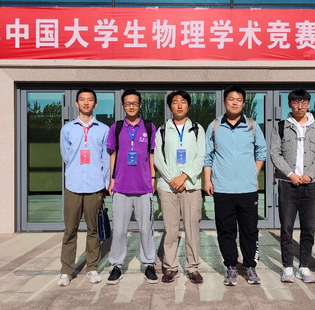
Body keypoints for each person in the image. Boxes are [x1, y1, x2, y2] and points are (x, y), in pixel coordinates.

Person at [204, 85, 267, 286]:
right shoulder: (215, 126)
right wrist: (207, 180)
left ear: (243, 103)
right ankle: (231, 266)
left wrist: (253, 173)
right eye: (231, 99)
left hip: (247, 189)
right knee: (226, 230)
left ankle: (250, 266)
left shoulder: (251, 126)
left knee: (250, 230)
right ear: (224, 102)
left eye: (238, 100)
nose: (234, 102)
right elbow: (208, 156)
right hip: (223, 188)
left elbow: (261, 152)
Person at [270, 88, 315, 284]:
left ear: (308, 104)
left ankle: (304, 266)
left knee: (308, 228)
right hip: (288, 185)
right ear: (289, 104)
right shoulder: (280, 127)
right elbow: (275, 153)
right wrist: (291, 174)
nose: (300, 106)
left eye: (304, 102)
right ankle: (287, 267)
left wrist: (310, 174)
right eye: (296, 102)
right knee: (286, 228)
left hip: (310, 186)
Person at [58, 88, 110, 286]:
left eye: (90, 100)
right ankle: (66, 270)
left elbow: (105, 159)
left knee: (93, 230)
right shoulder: (67, 129)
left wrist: (105, 184)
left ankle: (92, 268)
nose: (86, 103)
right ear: (76, 103)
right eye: (82, 99)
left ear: (95, 104)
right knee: (70, 230)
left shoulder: (103, 129)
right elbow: (66, 156)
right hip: (73, 185)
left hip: (95, 186)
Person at [106, 89, 158, 284]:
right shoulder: (117, 127)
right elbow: (112, 154)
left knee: (146, 229)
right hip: (121, 186)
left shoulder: (149, 127)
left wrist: (152, 178)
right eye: (127, 103)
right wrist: (112, 179)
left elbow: (152, 154)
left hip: (144, 187)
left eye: (134, 103)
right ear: (122, 106)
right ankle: (116, 265)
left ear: (140, 105)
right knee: (119, 230)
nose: (131, 107)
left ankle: (149, 264)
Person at [154, 90, 206, 284]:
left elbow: (201, 156)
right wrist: (172, 179)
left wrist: (184, 177)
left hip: (191, 187)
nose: (179, 105)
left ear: (188, 106)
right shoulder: (162, 130)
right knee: (171, 229)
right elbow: (158, 159)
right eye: (175, 102)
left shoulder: (197, 129)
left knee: (192, 229)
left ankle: (193, 267)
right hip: (168, 188)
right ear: (170, 107)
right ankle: (170, 267)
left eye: (183, 102)